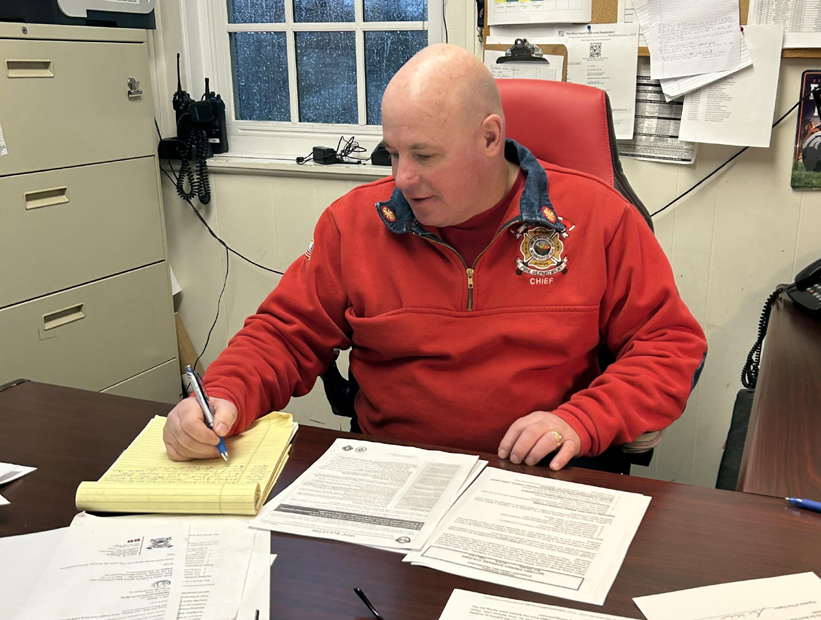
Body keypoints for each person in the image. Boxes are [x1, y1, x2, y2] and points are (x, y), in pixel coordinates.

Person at [163, 44, 707, 471]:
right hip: (392, 472)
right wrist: (225, 396)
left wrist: (586, 419)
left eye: (424, 156)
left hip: (541, 477)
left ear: (490, 138)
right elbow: (284, 334)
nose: (402, 179)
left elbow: (668, 346)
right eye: (394, 154)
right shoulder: (355, 224)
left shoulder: (598, 219)